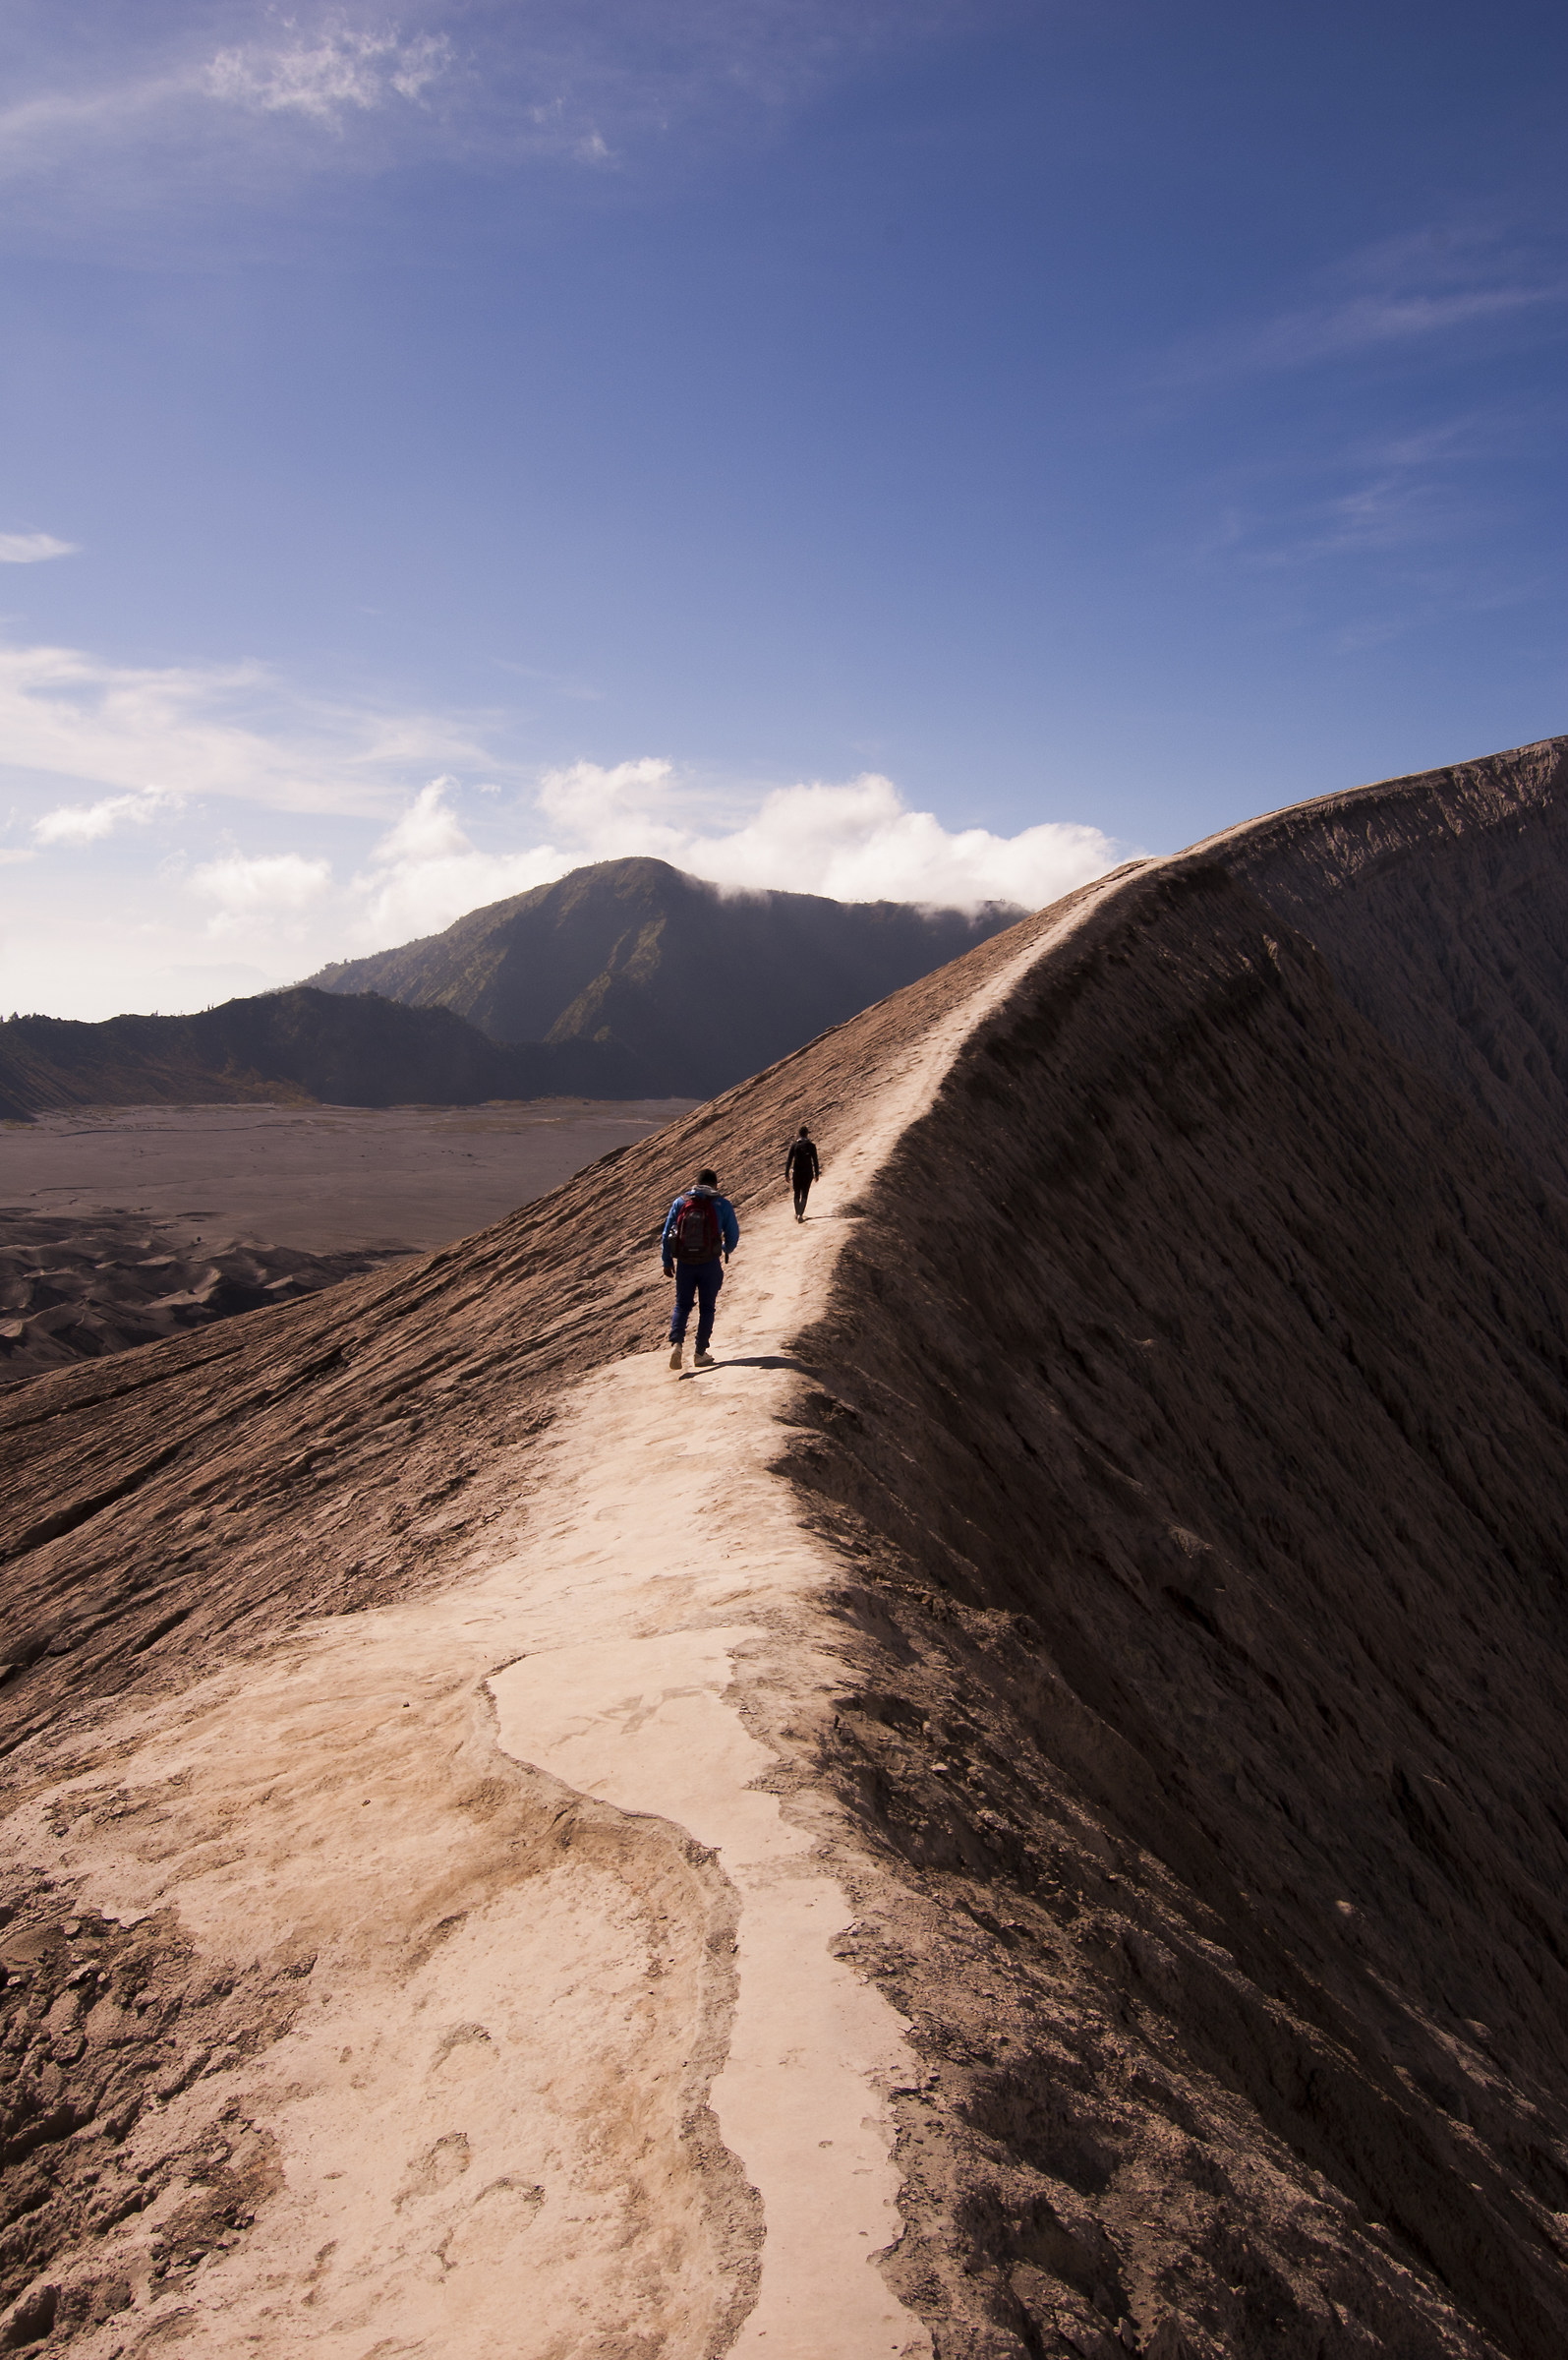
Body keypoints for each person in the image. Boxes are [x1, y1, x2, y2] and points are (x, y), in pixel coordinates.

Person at [662, 1167, 739, 1370]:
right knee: (707, 1307)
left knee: (682, 1305)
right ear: (715, 1185)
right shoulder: (721, 1204)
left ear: (696, 1183)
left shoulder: (681, 1202)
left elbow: (667, 1234)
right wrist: (725, 1248)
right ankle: (700, 1352)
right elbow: (733, 1235)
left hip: (685, 1263)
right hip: (709, 1263)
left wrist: (667, 1261)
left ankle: (677, 1344)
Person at [784, 1124, 820, 1222]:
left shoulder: (794, 1145)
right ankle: (800, 1214)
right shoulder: (811, 1146)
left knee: (796, 1193)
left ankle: (797, 1213)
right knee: (805, 1193)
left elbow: (789, 1160)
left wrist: (786, 1174)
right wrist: (816, 1174)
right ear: (807, 1134)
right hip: (808, 1173)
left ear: (799, 1134)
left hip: (797, 1172)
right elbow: (815, 1161)